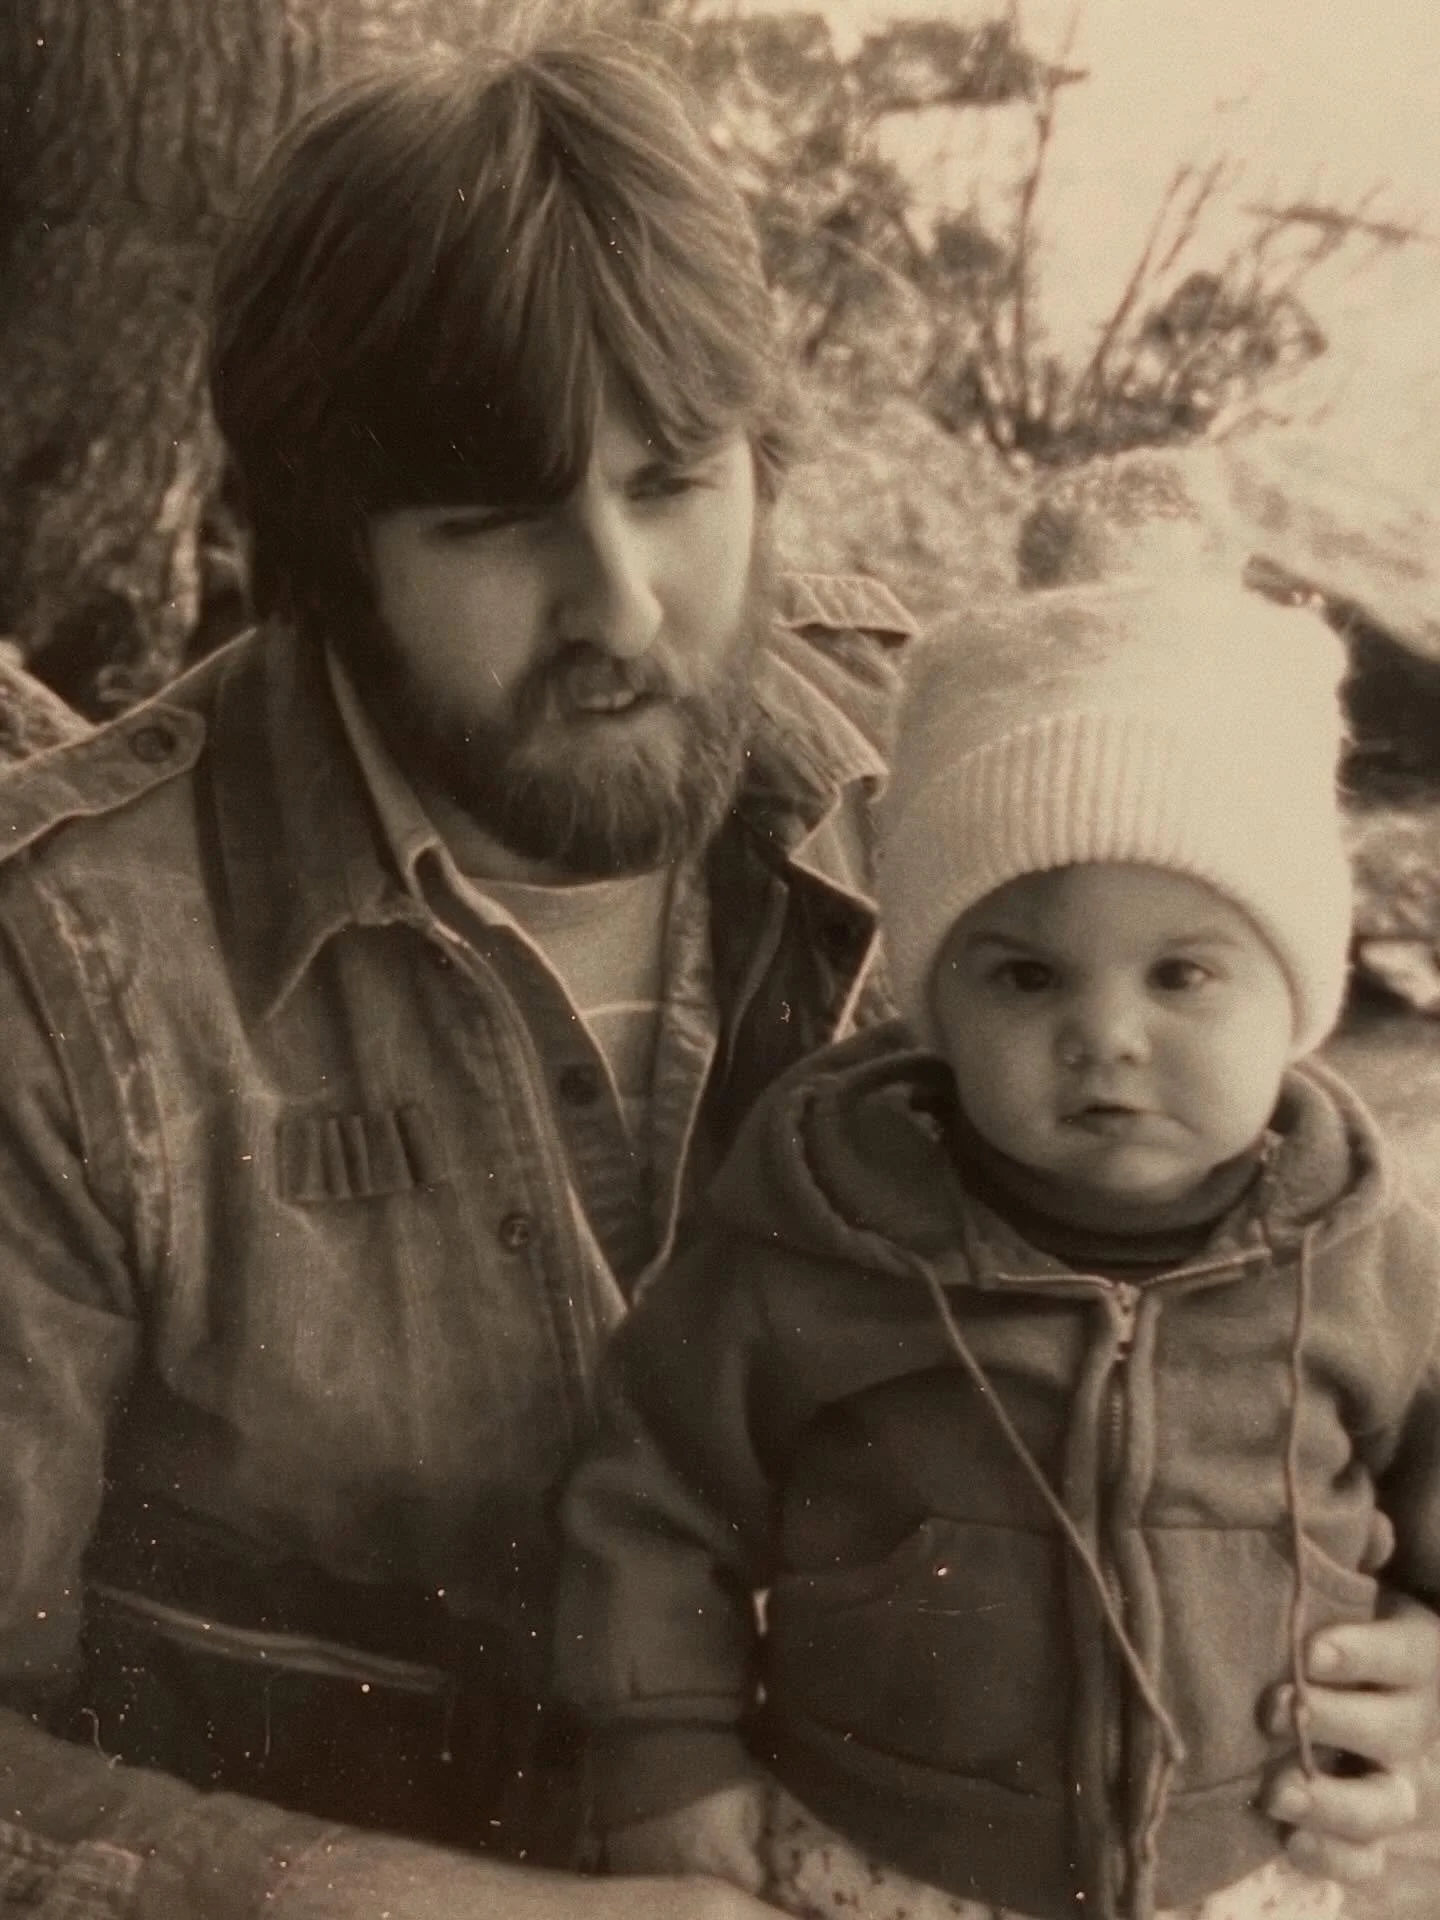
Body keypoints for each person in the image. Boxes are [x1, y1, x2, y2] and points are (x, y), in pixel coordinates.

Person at [0, 29, 1430, 1920]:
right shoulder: (62, 974)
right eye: (492, 522)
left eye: (675, 481)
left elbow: (1310, 1272)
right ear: (327, 551)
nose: (622, 606)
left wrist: (1398, 1659)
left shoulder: (991, 776)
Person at [557, 575, 1440, 1920]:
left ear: (1298, 991)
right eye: (1026, 974)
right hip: (878, 1864)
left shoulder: (1371, 1258)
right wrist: (663, 1762)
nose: (1106, 1036)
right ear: (936, 1001)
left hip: (1244, 1874)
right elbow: (654, 1502)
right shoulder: (819, 1236)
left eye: (1182, 973)